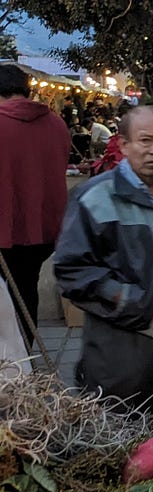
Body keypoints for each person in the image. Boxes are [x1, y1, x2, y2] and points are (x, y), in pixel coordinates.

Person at [53, 105, 153, 412]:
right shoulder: (95, 196)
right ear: (124, 145)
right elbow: (70, 269)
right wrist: (125, 299)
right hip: (116, 338)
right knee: (114, 434)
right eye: (145, 140)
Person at [0, 63, 72, 350]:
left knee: (5, 294)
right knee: (26, 287)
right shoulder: (56, 123)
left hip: (5, 228)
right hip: (44, 229)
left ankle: (10, 361)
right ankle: (24, 353)